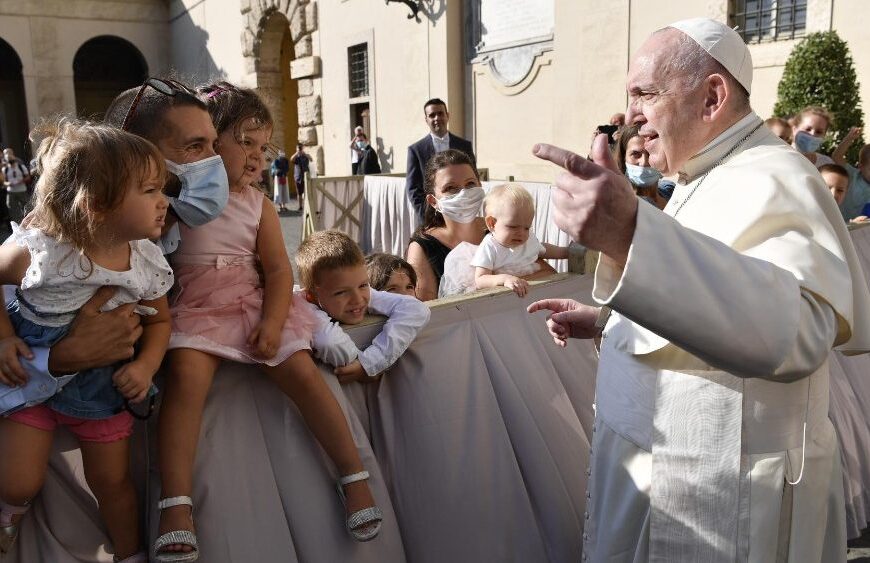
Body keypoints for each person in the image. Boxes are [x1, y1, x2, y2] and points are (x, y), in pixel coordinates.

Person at [527, 18, 870, 562]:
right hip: (655, 481)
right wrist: (612, 319)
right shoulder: (697, 173)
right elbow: (710, 296)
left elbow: (800, 329)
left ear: (712, 97)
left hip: (727, 501)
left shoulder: (778, 175)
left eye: (645, 93)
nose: (632, 116)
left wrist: (630, 233)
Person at [153, 83, 383, 561]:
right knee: (185, 379)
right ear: (211, 145)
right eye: (245, 143)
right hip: (195, 306)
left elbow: (279, 271)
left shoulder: (259, 205)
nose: (258, 158)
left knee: (302, 373)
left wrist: (275, 322)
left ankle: (353, 475)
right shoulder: (177, 200)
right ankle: (176, 504)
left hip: (251, 300)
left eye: (264, 147)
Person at [0, 119, 173, 563]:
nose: (163, 201)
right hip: (29, 378)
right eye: (150, 190)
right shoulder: (41, 250)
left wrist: (146, 366)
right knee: (17, 481)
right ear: (96, 205)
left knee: (112, 484)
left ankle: (129, 552)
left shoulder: (147, 260)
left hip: (101, 386)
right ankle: (7, 523)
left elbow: (160, 322)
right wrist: (3, 338)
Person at [296, 230, 430, 383]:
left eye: (363, 285)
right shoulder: (304, 306)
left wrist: (370, 363)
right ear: (311, 295)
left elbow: (417, 309)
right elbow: (329, 342)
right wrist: (366, 366)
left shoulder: (359, 290)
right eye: (341, 293)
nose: (357, 299)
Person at [406, 149, 487, 301]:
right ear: (433, 201)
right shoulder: (423, 247)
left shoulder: (497, 229)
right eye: (450, 188)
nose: (463, 193)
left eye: (470, 184)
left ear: (480, 185)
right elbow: (425, 309)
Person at [471, 183, 568, 297]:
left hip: (536, 291)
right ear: (492, 223)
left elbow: (544, 249)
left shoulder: (528, 240)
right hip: (506, 298)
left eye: (527, 227)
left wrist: (567, 252)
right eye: (513, 227)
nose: (521, 233)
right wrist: (505, 279)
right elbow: (480, 280)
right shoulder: (490, 247)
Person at [405, 98, 477, 222]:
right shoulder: (416, 150)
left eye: (440, 113)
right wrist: (426, 215)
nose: (437, 118)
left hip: (462, 214)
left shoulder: (465, 146)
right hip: (431, 216)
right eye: (432, 115)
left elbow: (473, 178)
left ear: (447, 116)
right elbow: (413, 189)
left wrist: (468, 209)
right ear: (426, 120)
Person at [614, 124, 667, 209]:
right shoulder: (625, 208)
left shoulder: (669, 191)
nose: (644, 162)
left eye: (651, 152)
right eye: (635, 154)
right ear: (624, 158)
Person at [832, 127, 870, 221]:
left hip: (861, 230)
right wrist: (849, 138)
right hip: (841, 223)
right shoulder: (853, 175)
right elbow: (837, 156)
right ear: (860, 166)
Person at [1, 148, 30, 224]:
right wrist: (9, 184)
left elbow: (27, 176)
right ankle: (18, 223)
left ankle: (28, 222)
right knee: (12, 208)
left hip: (22, 190)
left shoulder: (20, 166)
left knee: (26, 206)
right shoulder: (5, 169)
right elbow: (4, 181)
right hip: (11, 191)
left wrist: (21, 181)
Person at [289, 143, 310, 211]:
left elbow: (311, 159)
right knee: (299, 193)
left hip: (306, 177)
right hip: (298, 177)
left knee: (306, 192)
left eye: (301, 148)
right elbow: (291, 159)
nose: (300, 149)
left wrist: (304, 153)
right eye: (299, 148)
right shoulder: (296, 157)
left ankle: (307, 206)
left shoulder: (305, 156)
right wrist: (297, 153)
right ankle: (300, 206)